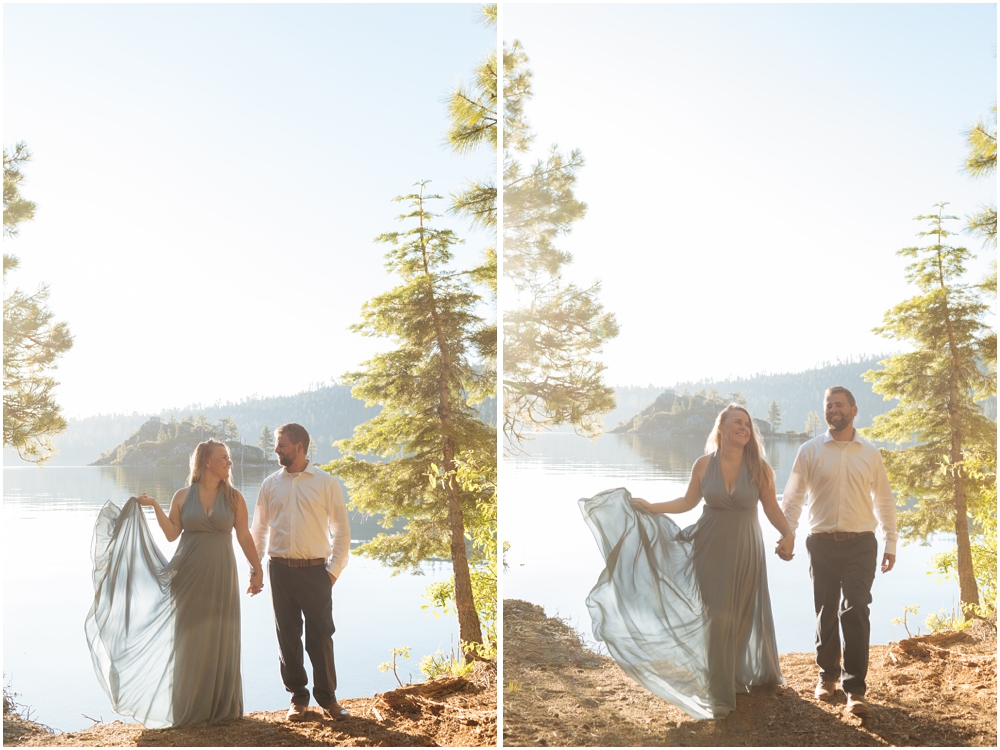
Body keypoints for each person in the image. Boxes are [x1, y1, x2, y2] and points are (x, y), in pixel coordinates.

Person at [580, 404, 793, 720]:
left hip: (747, 548)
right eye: (737, 422)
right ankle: (719, 689)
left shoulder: (760, 468)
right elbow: (688, 501)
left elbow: (773, 508)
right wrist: (652, 507)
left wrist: (788, 534)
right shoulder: (703, 465)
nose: (744, 428)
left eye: (747, 424)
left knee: (743, 614)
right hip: (708, 547)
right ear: (720, 428)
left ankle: (735, 678)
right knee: (715, 615)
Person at [85, 439, 263, 729]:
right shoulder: (182, 496)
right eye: (224, 458)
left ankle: (221, 708)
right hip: (187, 575)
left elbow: (243, 535)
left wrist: (256, 568)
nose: (229, 462)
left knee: (220, 634)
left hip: (221, 575)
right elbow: (171, 534)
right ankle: (187, 709)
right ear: (206, 461)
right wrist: (154, 504)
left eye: (229, 458)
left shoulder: (234, 498)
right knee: (189, 640)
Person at [778, 385, 897, 717]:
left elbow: (884, 501)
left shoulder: (870, 453)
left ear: (854, 411)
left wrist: (890, 542)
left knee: (855, 606)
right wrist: (788, 534)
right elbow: (792, 498)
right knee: (826, 610)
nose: (833, 410)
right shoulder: (809, 450)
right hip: (821, 544)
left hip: (861, 543)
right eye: (829, 405)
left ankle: (855, 689)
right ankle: (827, 675)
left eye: (839, 405)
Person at [250, 423, 351, 722]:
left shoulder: (325, 482)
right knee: (287, 637)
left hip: (316, 572)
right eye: (277, 444)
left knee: (321, 636)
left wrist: (332, 572)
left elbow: (342, 531)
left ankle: (329, 700)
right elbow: (259, 530)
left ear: (299, 446)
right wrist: (256, 571)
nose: (276, 449)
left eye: (281, 444)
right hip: (279, 570)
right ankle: (298, 698)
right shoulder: (270, 484)